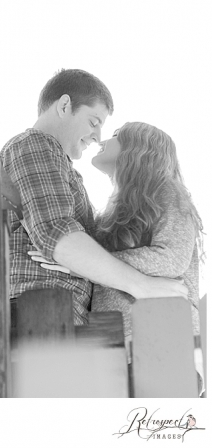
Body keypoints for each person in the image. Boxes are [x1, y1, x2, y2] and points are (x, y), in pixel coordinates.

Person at [0, 69, 187, 326]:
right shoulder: (36, 144)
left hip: (57, 315)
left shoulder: (64, 168)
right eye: (93, 122)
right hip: (40, 312)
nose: (98, 137)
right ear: (65, 106)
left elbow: (78, 249)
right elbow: (57, 235)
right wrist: (141, 285)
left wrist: (82, 264)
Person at [34, 121, 204, 394]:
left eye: (115, 135)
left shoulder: (167, 191)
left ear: (138, 149)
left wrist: (86, 263)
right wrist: (76, 260)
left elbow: (171, 258)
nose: (102, 138)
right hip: (109, 356)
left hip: (160, 347)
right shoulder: (108, 214)